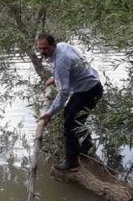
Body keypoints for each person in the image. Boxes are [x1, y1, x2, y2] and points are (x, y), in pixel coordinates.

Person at [36, 33, 104, 172]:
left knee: (70, 124)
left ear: (53, 45)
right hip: (88, 86)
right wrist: (55, 77)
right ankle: (87, 147)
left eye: (46, 48)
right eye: (40, 48)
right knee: (69, 114)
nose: (43, 52)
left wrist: (49, 114)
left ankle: (71, 161)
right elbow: (73, 64)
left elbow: (64, 93)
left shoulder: (61, 60)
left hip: (89, 91)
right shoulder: (62, 46)